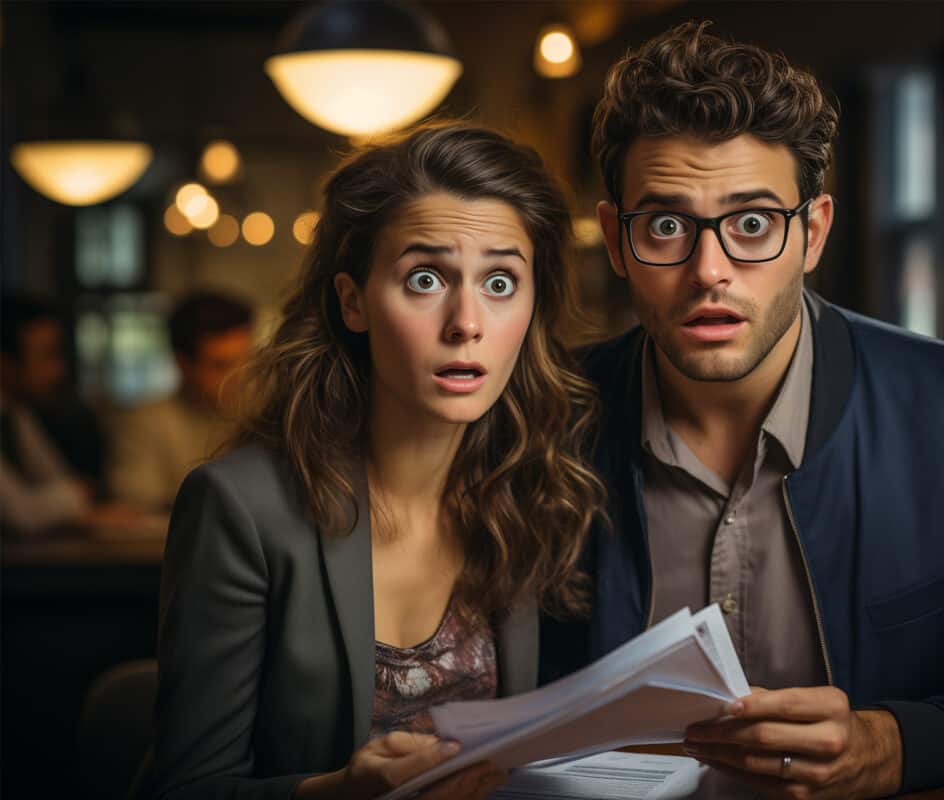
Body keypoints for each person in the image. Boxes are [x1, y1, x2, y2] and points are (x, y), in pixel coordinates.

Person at [540, 21, 944, 798]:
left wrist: (895, 742)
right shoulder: (545, 421)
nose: (710, 271)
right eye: (667, 225)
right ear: (615, 240)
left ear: (812, 233)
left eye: (751, 224)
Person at [134, 122, 605, 800]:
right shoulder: (241, 507)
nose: (467, 321)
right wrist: (338, 793)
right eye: (424, 278)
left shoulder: (536, 493)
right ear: (353, 300)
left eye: (501, 281)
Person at [108, 290, 254, 512]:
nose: (239, 377)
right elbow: (138, 505)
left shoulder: (264, 414)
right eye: (222, 366)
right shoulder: (148, 421)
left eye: (247, 361)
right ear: (183, 365)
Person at [1, 296, 92, 533]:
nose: (59, 370)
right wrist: (75, 498)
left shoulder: (17, 414)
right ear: (4, 363)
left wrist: (70, 496)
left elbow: (59, 480)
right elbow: (20, 514)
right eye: (48, 355)